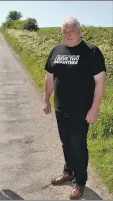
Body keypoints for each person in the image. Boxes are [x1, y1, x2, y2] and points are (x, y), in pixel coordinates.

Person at [43, 17, 106, 200]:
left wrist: (94, 108)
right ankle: (68, 171)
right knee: (66, 142)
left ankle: (80, 181)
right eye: (65, 31)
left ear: (80, 32)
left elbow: (100, 82)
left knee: (78, 145)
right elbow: (49, 78)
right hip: (60, 108)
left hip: (81, 110)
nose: (68, 34)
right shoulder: (56, 50)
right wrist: (46, 99)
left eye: (72, 31)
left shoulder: (91, 52)